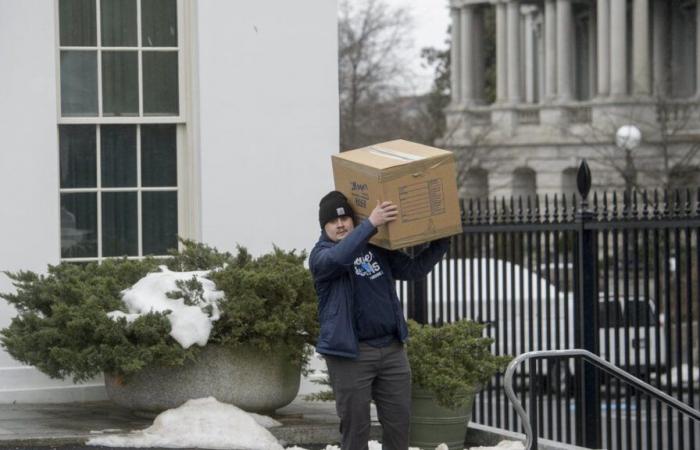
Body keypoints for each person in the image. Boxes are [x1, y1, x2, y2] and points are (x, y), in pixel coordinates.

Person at [309, 190, 450, 450]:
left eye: (345, 219)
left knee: (399, 426)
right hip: (350, 355)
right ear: (324, 226)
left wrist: (442, 240)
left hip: (392, 350)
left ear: (352, 220)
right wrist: (371, 224)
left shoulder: (375, 247)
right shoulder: (321, 256)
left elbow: (413, 269)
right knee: (356, 429)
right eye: (332, 221)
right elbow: (341, 257)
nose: (340, 224)